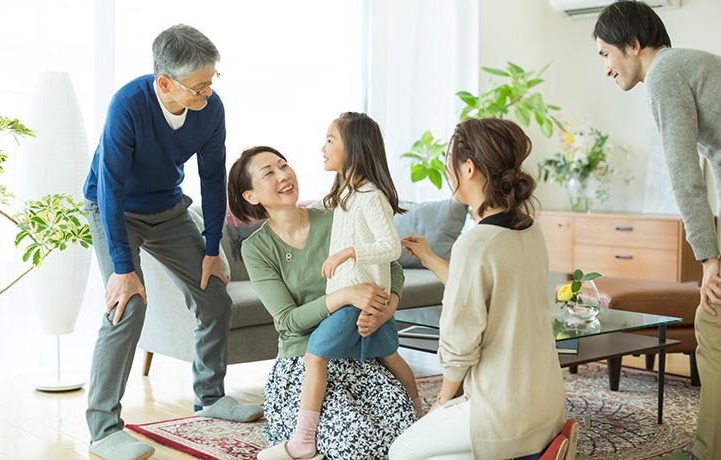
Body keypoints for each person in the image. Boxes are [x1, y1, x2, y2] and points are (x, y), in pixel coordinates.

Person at [83, 24, 262, 460]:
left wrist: (211, 247)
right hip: (114, 208)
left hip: (168, 208)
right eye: (199, 86)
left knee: (214, 293)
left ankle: (210, 397)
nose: (208, 92)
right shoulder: (128, 105)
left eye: (211, 80)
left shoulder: (209, 109)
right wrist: (123, 270)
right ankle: (104, 428)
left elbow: (212, 175)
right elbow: (110, 186)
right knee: (128, 305)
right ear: (165, 83)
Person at [388, 118, 566, 460]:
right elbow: (487, 289)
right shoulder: (530, 230)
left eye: (449, 162)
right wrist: (429, 257)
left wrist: (442, 402)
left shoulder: (475, 243)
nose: (447, 170)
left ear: (468, 168)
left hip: (500, 412)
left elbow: (458, 347)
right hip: (546, 406)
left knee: (402, 452)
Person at [228, 146, 417, 460]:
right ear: (251, 196)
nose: (284, 175)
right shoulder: (257, 248)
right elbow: (288, 321)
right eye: (269, 173)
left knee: (401, 433)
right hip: (302, 362)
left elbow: (390, 266)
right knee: (355, 444)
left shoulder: (335, 215)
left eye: (284, 165)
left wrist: (388, 309)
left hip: (356, 353)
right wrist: (342, 296)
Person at [593, 2, 721, 459]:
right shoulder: (687, 66)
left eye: (606, 54)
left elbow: (685, 173)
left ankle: (707, 451)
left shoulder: (665, 73)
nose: (606, 68)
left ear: (633, 45)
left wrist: (709, 260)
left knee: (713, 318)